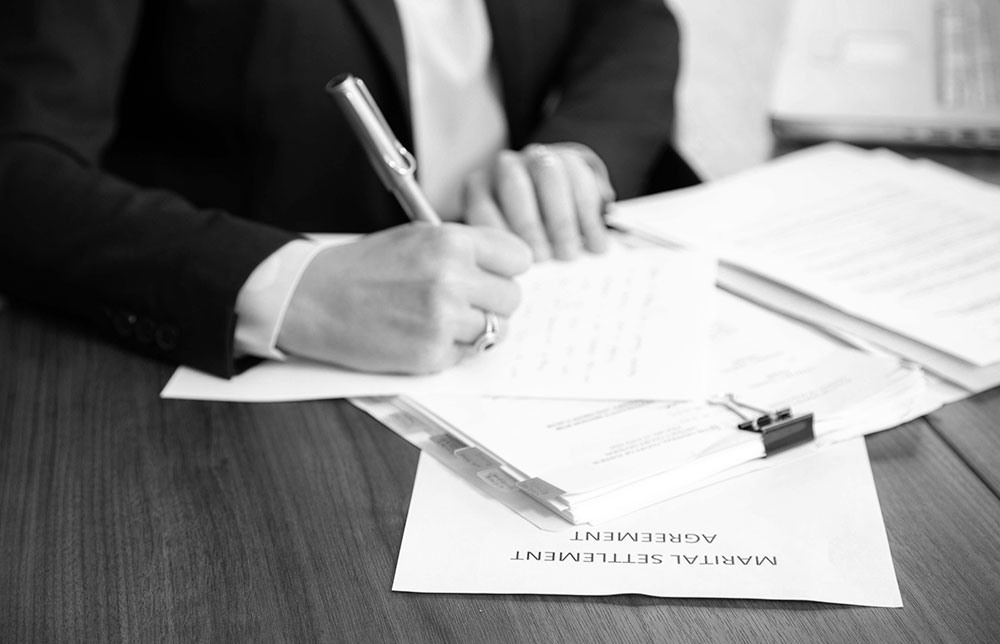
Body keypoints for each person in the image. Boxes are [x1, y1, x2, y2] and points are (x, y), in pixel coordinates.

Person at [0, 0, 698, 378]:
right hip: (252, 370)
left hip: (538, 293)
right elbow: (18, 166)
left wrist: (579, 148)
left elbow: (630, 17)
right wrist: (287, 285)